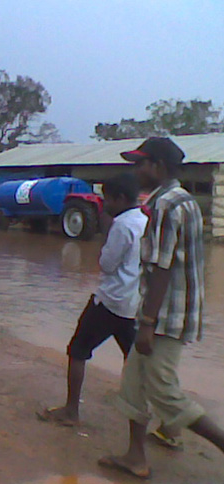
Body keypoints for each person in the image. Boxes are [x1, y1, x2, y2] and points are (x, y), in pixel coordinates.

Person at [98, 137, 224, 479]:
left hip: (166, 315)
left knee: (163, 391)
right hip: (169, 310)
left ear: (158, 166)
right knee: (134, 384)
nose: (136, 170)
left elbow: (162, 267)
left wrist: (148, 322)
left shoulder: (167, 205)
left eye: (141, 163)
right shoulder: (179, 201)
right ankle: (135, 457)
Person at [37, 173, 147, 427]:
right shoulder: (143, 222)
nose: (104, 203)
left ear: (119, 199)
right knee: (136, 361)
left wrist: (107, 231)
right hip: (133, 304)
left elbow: (107, 265)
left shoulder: (121, 226)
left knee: (78, 350)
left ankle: (71, 410)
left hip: (110, 301)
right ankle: (156, 419)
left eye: (107, 198)